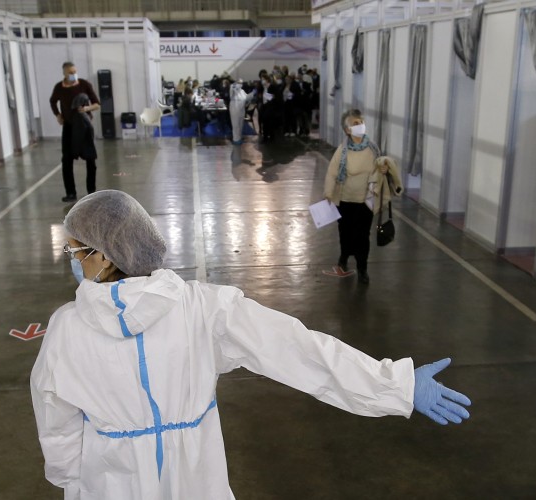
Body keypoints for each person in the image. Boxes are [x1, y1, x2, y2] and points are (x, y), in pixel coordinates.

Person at [32, 190, 472, 499]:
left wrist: (76, 481)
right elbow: (298, 350)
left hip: (112, 482)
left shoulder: (67, 330)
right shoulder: (204, 308)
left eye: (74, 252)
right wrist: (395, 384)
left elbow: (57, 424)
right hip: (196, 478)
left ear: (103, 255)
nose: (71, 262)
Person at [323, 109, 401, 284]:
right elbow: (332, 173)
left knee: (362, 235)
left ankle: (362, 267)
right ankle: (344, 256)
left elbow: (380, 167)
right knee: (345, 232)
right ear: (348, 130)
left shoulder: (372, 148)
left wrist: (383, 169)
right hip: (345, 200)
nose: (360, 126)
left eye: (361, 122)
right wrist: (328, 193)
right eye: (355, 123)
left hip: (365, 201)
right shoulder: (342, 151)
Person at [50, 62, 102, 202]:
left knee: (90, 159)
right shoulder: (59, 88)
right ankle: (71, 193)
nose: (73, 75)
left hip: (84, 127)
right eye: (70, 72)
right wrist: (58, 115)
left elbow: (97, 104)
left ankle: (91, 191)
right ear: (64, 74)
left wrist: (86, 109)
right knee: (66, 160)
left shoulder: (84, 85)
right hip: (69, 126)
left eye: (75, 71)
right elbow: (52, 101)